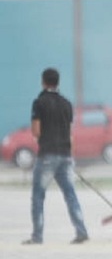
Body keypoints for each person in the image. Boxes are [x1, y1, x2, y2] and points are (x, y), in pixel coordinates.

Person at [22, 68, 90, 245]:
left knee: (38, 196)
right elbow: (70, 134)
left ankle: (37, 236)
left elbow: (36, 131)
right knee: (70, 194)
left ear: (43, 82)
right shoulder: (67, 104)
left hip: (47, 155)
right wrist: (71, 158)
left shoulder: (39, 102)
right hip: (66, 156)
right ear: (58, 82)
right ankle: (81, 230)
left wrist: (42, 138)